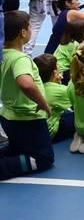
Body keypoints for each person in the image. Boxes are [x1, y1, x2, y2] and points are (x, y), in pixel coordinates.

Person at [0, 11, 54, 180]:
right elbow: (25, 82)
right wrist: (43, 103)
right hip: (27, 117)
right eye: (30, 26)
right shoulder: (20, 59)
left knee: (17, 148)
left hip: (8, 115)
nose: (32, 29)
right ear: (23, 32)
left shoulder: (3, 56)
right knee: (43, 158)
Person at [35, 53, 75, 142]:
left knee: (63, 111)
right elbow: (80, 101)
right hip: (48, 134)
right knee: (75, 116)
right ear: (55, 72)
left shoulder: (34, 86)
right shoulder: (60, 90)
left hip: (31, 131)